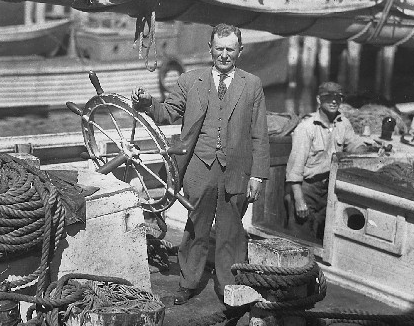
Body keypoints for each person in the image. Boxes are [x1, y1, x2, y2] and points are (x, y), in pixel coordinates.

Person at [131, 23, 270, 305]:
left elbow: (260, 134)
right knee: (196, 227)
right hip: (199, 168)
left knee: (231, 229)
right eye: (219, 48)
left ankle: (227, 286)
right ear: (210, 49)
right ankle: (188, 282)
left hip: (237, 171)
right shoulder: (189, 81)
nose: (224, 54)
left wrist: (258, 176)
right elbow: (168, 113)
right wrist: (147, 103)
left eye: (230, 49)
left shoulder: (252, 84)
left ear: (240, 51)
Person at [285, 82, 368, 240]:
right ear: (318, 99)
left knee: (323, 238)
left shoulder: (343, 123)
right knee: (299, 238)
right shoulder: (306, 128)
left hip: (329, 189)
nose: (333, 101)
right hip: (307, 189)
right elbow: (294, 170)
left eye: (338, 98)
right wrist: (299, 200)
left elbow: (355, 144)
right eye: (328, 97)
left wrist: (366, 152)